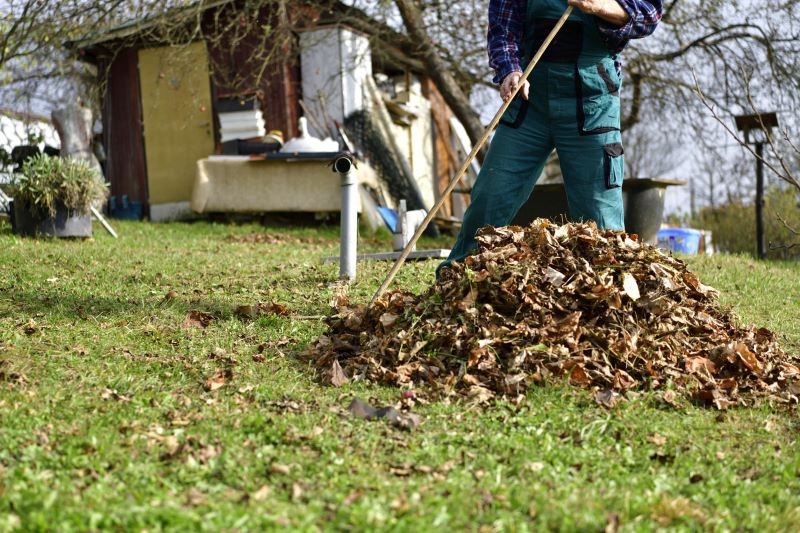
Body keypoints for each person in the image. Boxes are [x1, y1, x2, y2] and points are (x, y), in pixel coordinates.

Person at [438, 0, 662, 275]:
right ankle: (458, 279)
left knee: (600, 216)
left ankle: (610, 291)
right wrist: (509, 70)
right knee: (491, 194)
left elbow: (648, 15)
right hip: (530, 97)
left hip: (591, 103)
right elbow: (503, 29)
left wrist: (599, 6)